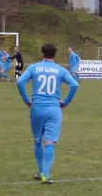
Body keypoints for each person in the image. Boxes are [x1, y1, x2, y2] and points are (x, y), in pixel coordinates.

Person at [16, 43, 79, 184]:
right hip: (54, 108)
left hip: (37, 107)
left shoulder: (34, 67)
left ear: (42, 54)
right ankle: (46, 175)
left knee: (38, 140)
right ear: (55, 55)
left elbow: (20, 82)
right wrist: (66, 102)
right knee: (50, 141)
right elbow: (74, 85)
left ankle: (40, 172)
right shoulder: (60, 70)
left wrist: (27, 101)